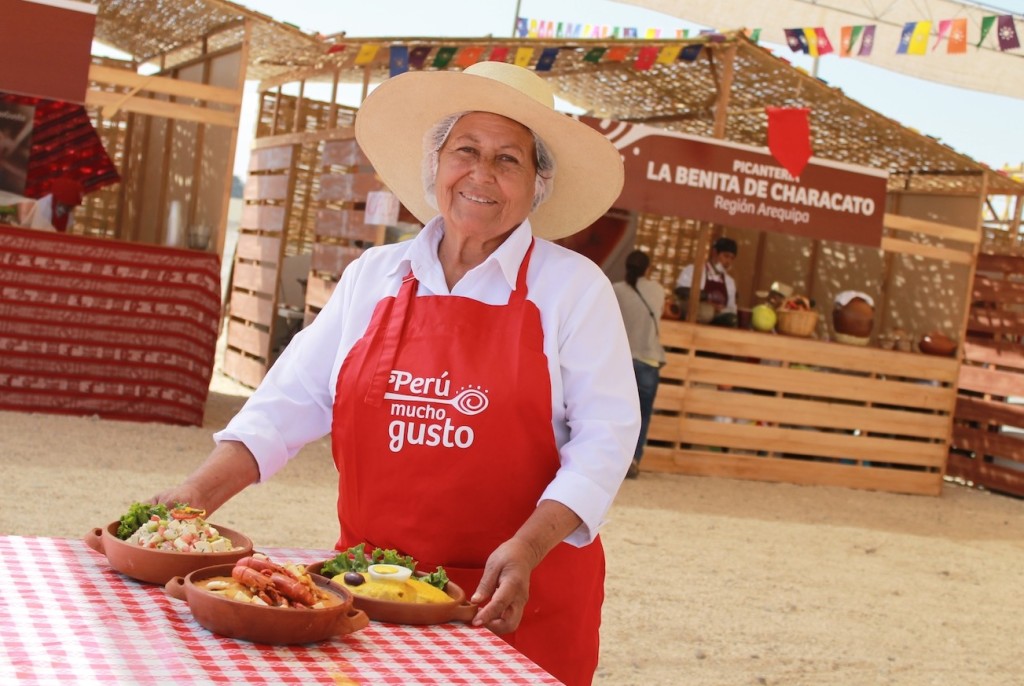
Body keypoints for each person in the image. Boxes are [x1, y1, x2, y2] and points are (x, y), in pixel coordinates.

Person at [149, 61, 638, 686]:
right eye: (466, 150)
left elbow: (606, 438)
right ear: (435, 164)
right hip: (371, 591)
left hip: (515, 597)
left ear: (537, 183)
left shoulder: (572, 288)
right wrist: (196, 498)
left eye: (508, 159)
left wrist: (530, 546)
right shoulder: (373, 276)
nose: (481, 175)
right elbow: (290, 400)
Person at [613, 249, 666, 479]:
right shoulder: (658, 291)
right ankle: (633, 460)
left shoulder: (615, 291)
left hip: (621, 363)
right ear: (648, 268)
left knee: (615, 414)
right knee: (642, 415)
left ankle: (613, 459)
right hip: (649, 361)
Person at [674, 236, 739, 327]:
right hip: (695, 320)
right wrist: (707, 302)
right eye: (726, 256)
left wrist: (722, 310)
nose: (728, 262)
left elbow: (731, 308)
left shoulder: (730, 282)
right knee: (706, 312)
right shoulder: (694, 270)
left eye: (732, 258)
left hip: (717, 324)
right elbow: (680, 292)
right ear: (714, 253)